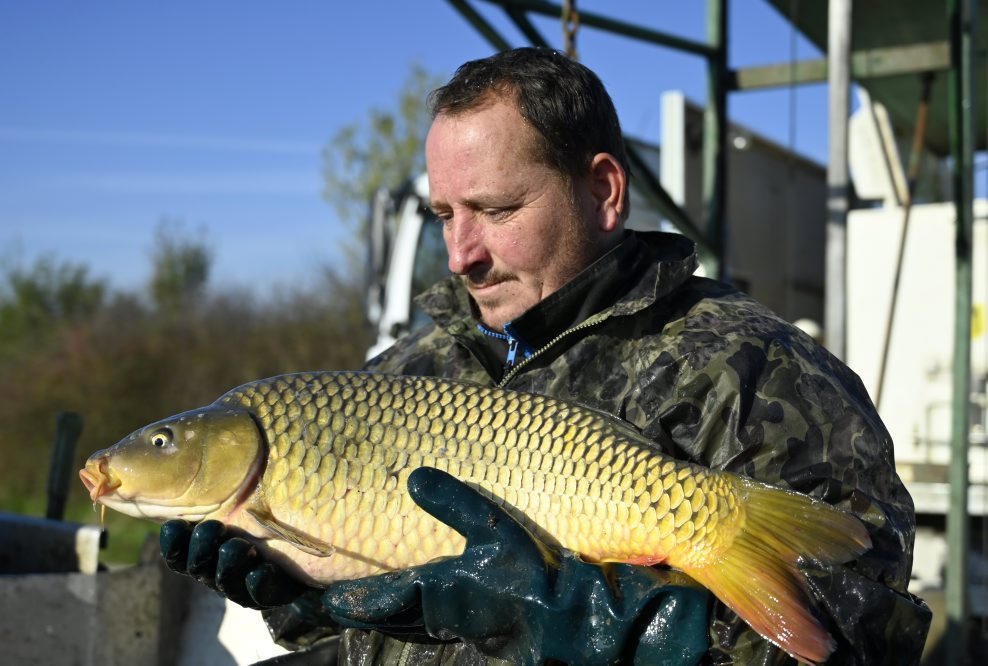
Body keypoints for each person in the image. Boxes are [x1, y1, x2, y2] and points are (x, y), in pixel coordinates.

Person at [160, 47, 931, 664]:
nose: (462, 255)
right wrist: (303, 599)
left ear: (602, 191)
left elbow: (859, 636)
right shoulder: (405, 373)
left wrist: (603, 630)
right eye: (443, 215)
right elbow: (363, 635)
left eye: (496, 211)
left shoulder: (755, 373)